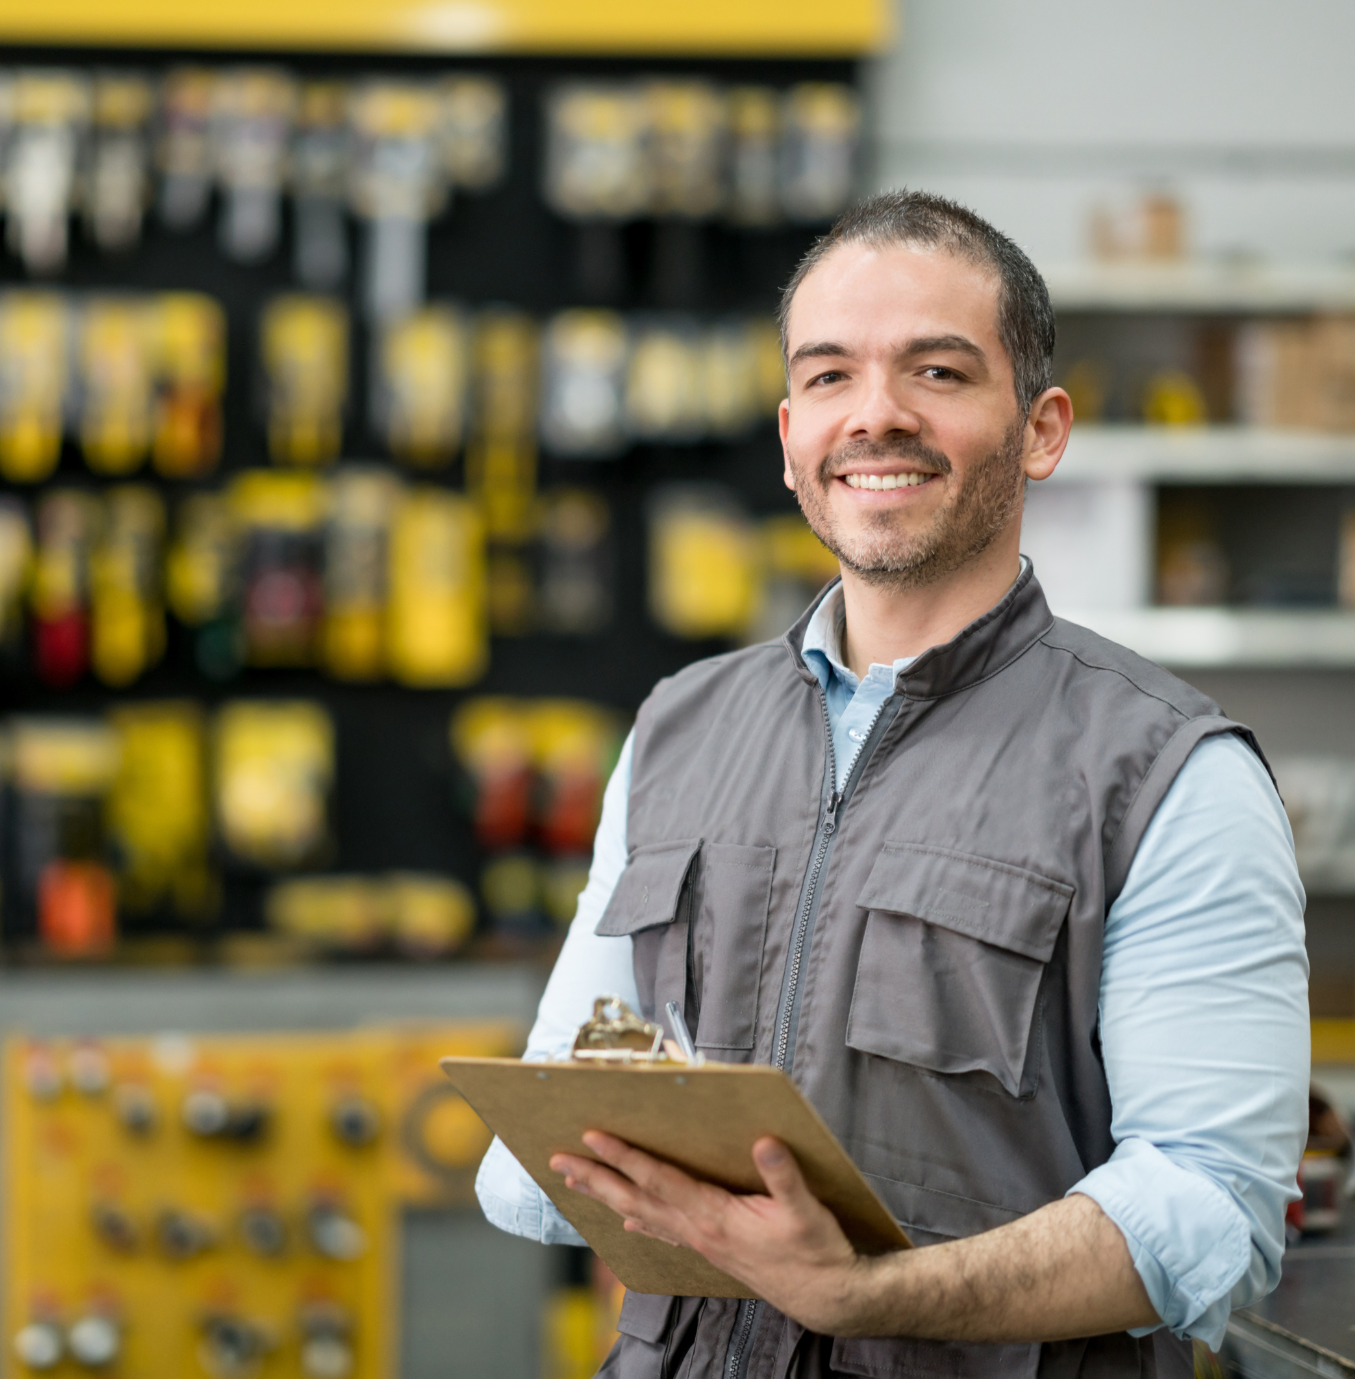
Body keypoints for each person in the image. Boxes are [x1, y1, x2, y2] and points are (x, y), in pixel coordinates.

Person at [475, 190, 1309, 1379]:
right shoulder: (676, 731)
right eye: (829, 376)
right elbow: (532, 1157)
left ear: (1040, 430)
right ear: (788, 439)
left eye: (937, 371)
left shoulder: (1167, 774)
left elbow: (1212, 1208)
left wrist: (864, 1291)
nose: (875, 414)